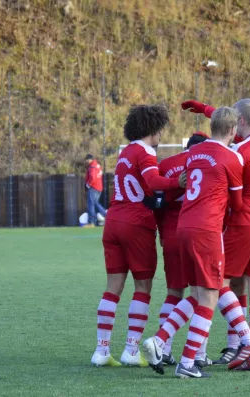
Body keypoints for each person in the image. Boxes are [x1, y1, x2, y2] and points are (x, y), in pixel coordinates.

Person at [143, 107, 250, 379]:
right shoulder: (232, 157)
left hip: (183, 227)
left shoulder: (193, 152)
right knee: (210, 295)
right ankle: (187, 363)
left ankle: (159, 341)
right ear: (233, 131)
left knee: (197, 295)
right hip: (208, 231)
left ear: (211, 128)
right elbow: (239, 204)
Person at [182, 98, 250, 370]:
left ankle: (233, 345)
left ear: (240, 122)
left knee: (217, 284)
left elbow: (233, 191)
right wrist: (207, 109)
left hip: (244, 225)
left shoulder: (239, 151)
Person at [90, 105, 186, 367]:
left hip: (113, 222)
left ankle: (101, 351)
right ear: (152, 129)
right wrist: (177, 183)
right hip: (136, 224)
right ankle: (131, 351)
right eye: (160, 131)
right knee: (143, 287)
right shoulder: (145, 152)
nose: (161, 136)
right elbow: (154, 182)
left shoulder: (125, 153)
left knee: (113, 287)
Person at [152, 132, 209, 368]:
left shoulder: (165, 164)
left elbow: (156, 203)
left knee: (174, 293)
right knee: (203, 294)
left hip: (172, 234)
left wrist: (162, 232)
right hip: (198, 234)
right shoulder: (207, 163)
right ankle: (198, 354)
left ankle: (163, 349)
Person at [84, 154, 107, 227]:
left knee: (91, 204)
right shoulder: (97, 165)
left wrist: (88, 184)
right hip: (99, 187)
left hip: (93, 188)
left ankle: (91, 222)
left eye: (86, 160)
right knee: (95, 203)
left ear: (89, 159)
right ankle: (108, 216)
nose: (86, 162)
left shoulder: (92, 166)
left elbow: (92, 177)